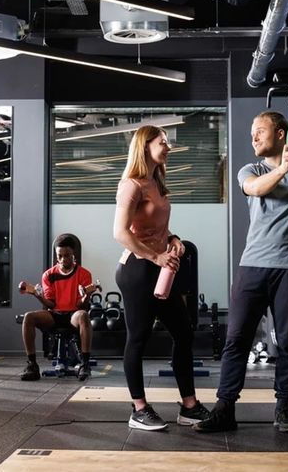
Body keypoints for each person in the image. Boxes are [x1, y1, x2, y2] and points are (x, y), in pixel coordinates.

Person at [194, 111, 288, 434]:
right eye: (252, 132)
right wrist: (283, 169)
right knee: (236, 339)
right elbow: (255, 189)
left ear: (280, 134)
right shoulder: (251, 170)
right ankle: (225, 408)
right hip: (253, 265)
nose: (253, 137)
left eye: (260, 131)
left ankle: (284, 408)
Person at [113, 125, 209, 431]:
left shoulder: (155, 182)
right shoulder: (131, 185)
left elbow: (156, 229)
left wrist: (174, 239)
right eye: (162, 142)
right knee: (138, 338)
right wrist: (155, 256)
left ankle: (189, 407)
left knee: (183, 332)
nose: (168, 147)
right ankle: (139, 409)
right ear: (145, 146)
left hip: (160, 268)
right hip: (137, 269)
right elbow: (120, 233)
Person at [19, 235, 98, 382]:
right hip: (55, 314)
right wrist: (37, 295)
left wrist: (87, 295)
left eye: (66, 255)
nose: (62, 259)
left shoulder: (84, 274)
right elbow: (51, 304)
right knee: (29, 317)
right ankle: (32, 365)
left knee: (83, 315)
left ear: (73, 254)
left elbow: (81, 305)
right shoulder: (48, 275)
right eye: (59, 256)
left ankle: (85, 364)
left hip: (74, 314)